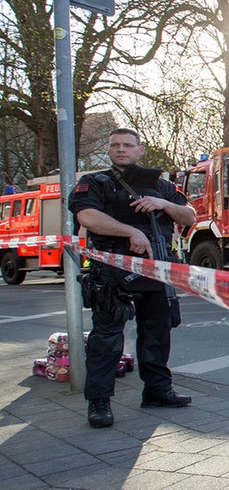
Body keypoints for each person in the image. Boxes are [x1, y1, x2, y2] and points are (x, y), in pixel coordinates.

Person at [69, 128, 196, 429]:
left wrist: (162, 204)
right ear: (110, 150)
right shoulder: (93, 183)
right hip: (112, 271)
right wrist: (131, 231)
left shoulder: (161, 186)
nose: (121, 149)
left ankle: (157, 390)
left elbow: (189, 216)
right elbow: (86, 217)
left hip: (156, 268)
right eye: (115, 145)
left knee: (157, 332)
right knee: (107, 339)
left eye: (128, 145)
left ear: (140, 150)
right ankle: (99, 401)